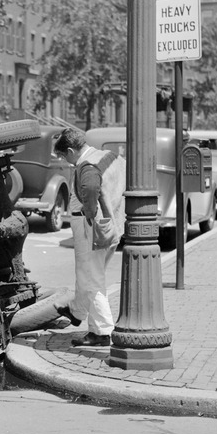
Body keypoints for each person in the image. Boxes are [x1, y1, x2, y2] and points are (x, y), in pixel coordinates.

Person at [51, 127, 126, 347]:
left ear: (72, 150)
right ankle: (78, 312)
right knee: (89, 275)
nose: (65, 161)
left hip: (91, 228)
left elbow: (91, 187)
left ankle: (102, 332)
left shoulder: (87, 167)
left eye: (64, 156)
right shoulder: (110, 156)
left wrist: (89, 211)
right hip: (111, 225)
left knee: (91, 279)